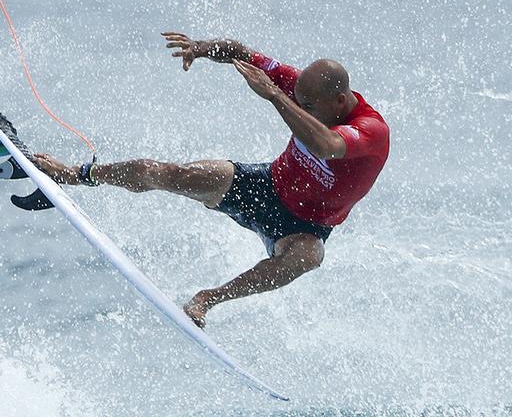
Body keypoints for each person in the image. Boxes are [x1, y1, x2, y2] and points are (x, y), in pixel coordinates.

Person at [32, 32, 390, 328]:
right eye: (299, 101)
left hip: (304, 226)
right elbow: (244, 53)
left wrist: (275, 96)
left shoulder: (370, 130)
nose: (301, 107)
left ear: (340, 101)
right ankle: (76, 174)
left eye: (307, 107)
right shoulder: (305, 90)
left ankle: (207, 299)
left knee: (309, 257)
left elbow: (325, 145)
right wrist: (203, 49)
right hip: (265, 186)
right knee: (175, 173)